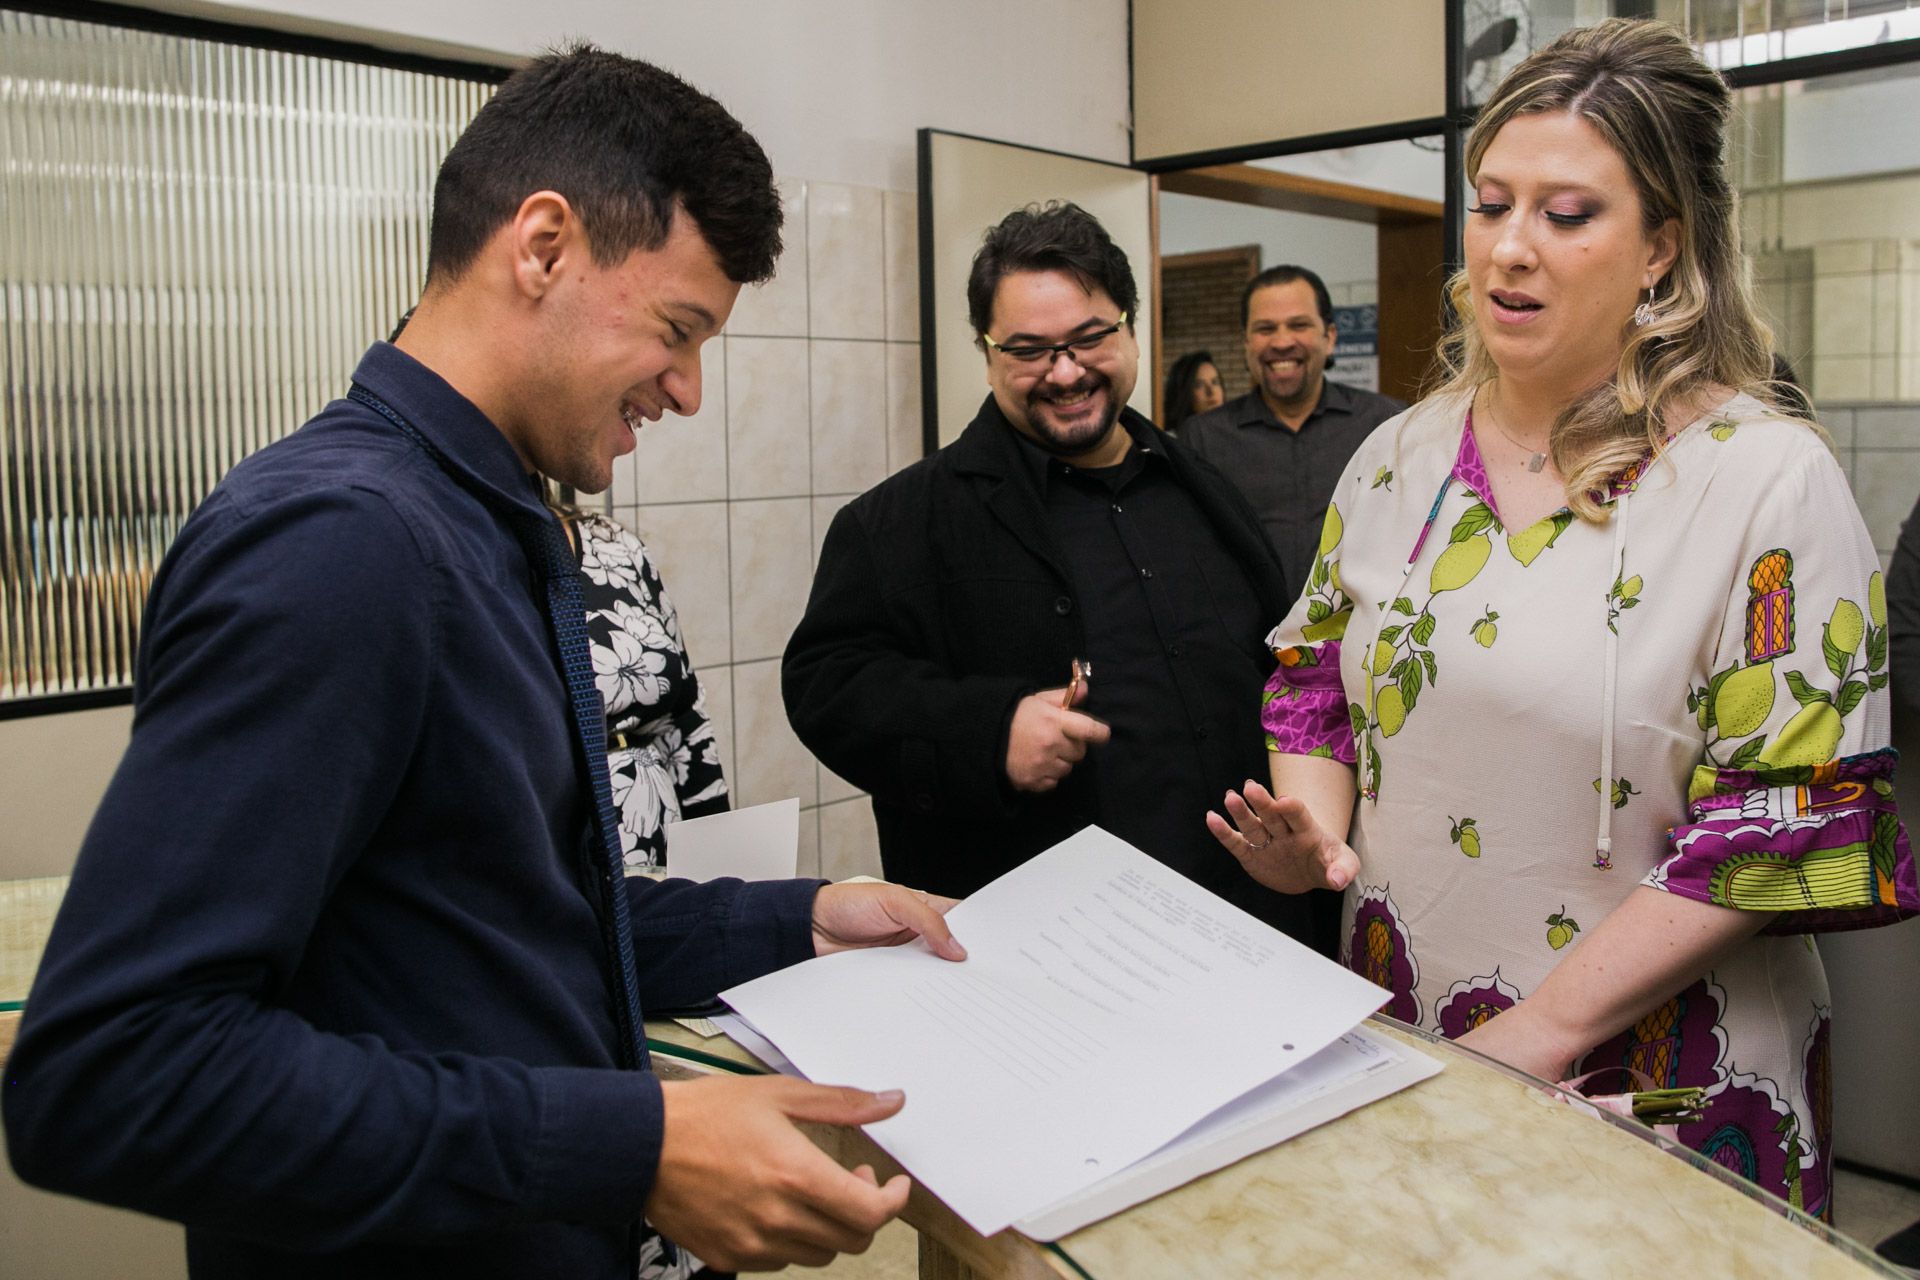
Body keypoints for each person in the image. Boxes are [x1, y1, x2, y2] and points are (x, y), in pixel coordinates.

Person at [3, 46, 967, 1280]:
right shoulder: (345, 542)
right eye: (679, 330)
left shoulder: (498, 516)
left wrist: (802, 918)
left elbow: (499, 932)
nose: (688, 389)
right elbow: (113, 1071)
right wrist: (633, 1145)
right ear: (545, 245)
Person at [1207, 19, 1916, 1217]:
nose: (1509, 250)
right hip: (1407, 1038)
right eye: (1490, 205)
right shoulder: (1397, 457)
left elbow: (1789, 820)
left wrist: (1534, 1036)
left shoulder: (1763, 478)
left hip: (1654, 1083)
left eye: (1568, 214)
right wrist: (1317, 831)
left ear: (1663, 250)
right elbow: (1314, 675)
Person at [784, 201, 1331, 946]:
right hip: (1051, 949)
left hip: (1246, 923)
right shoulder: (900, 523)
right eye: (1030, 349)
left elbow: (1282, 679)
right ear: (987, 353)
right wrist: (988, 729)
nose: (1065, 372)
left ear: (1130, 327)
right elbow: (825, 687)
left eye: (1088, 338)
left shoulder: (1205, 489)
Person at [1180, 265, 1405, 601]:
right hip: (1247, 648)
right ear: (1246, 342)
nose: (1282, 342)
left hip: (1355, 643)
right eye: (1265, 329)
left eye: (1298, 325)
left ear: (1329, 337)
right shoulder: (1203, 440)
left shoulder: (1387, 425)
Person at [556, 497, 730, 871]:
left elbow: (686, 715)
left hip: (661, 844)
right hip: (562, 860)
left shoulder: (613, 543)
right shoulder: (478, 553)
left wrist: (721, 861)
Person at [1163, 349, 1225, 433]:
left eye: (1215, 382)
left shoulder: (1231, 435)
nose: (1211, 392)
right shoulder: (1171, 441)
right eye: (1199, 385)